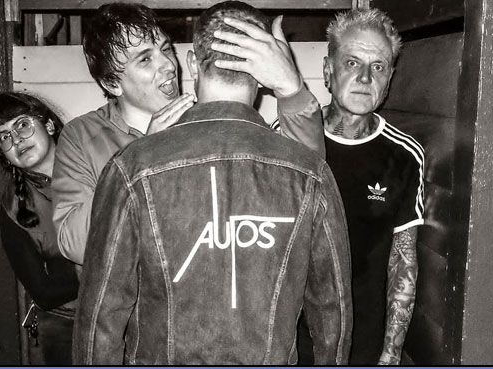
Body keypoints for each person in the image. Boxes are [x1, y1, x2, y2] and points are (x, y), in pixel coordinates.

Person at [73, 1, 352, 366]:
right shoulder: (309, 172)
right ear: (262, 75)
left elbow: (101, 317)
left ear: (192, 63)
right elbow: (333, 309)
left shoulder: (132, 167)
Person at [52, 2, 326, 266]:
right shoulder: (82, 136)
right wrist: (144, 153)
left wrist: (291, 90)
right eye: (145, 59)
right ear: (112, 83)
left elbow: (305, 182)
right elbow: (73, 244)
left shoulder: (207, 118)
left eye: (165, 49)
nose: (168, 65)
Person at [321, 8, 424, 365]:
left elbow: (403, 262)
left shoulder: (404, 155)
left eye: (378, 66)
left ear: (389, 79)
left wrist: (390, 355)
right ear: (328, 70)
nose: (365, 77)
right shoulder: (288, 138)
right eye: (352, 62)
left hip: (363, 347)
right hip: (291, 345)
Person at [0, 92, 79, 365]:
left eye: (22, 125)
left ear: (48, 125)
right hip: (66, 326)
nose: (16, 140)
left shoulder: (97, 167)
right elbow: (43, 293)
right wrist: (101, 267)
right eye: (3, 137)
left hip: (126, 308)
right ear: (3, 156)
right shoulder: (14, 205)